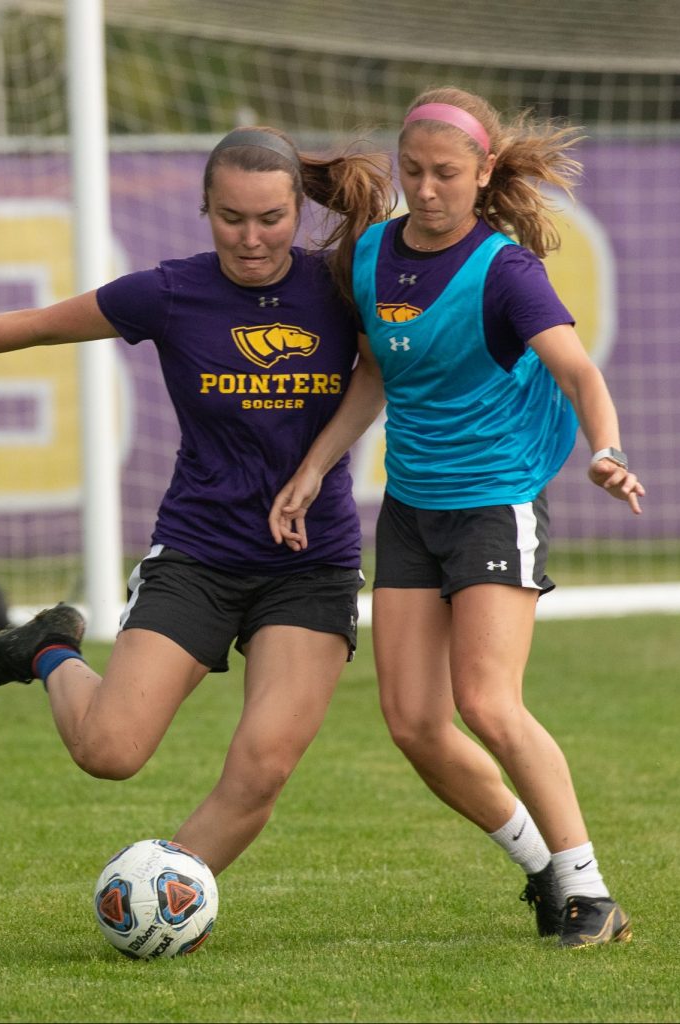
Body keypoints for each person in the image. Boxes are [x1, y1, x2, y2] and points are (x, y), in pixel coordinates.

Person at [0, 126, 396, 878]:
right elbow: (36, 325)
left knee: (263, 768)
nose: (251, 239)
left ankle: (168, 894)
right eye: (231, 218)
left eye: (270, 219)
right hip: (200, 554)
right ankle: (50, 647)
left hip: (309, 565)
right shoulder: (169, 293)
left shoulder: (344, 283)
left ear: (299, 212)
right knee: (109, 752)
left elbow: (376, 373)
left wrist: (317, 467)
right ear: (204, 209)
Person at [269, 87, 644, 948]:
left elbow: (580, 374)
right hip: (411, 508)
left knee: (487, 701)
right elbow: (373, 375)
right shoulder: (368, 255)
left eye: (446, 174)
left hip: (494, 504)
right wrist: (314, 468)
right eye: (413, 172)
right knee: (412, 723)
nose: (427, 189)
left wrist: (607, 449)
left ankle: (590, 892)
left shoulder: (505, 271)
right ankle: (546, 873)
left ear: (482, 174)